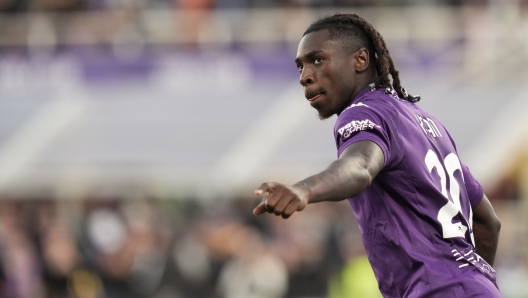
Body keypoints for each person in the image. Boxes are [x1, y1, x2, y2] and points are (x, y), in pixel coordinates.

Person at [253, 13, 502, 297]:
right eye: (301, 66)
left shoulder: (364, 112)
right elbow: (488, 224)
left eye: (318, 60)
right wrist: (476, 282)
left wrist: (304, 189)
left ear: (360, 60)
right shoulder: (429, 125)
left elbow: (359, 166)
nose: (305, 76)